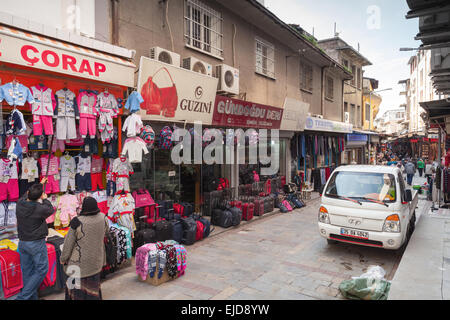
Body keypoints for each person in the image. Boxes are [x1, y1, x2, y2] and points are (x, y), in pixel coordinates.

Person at [60, 197, 109, 300]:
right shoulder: (103, 217)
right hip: (96, 261)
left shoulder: (77, 221)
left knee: (74, 291)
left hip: (77, 264)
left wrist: (63, 259)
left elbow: (68, 243)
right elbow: (106, 232)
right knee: (92, 289)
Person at [15, 178, 54, 300]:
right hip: (36, 243)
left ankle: (32, 298)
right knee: (42, 270)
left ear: (28, 194)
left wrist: (40, 185)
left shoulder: (20, 203)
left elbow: (26, 194)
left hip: (22, 242)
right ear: (39, 197)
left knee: (28, 272)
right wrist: (45, 198)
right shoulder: (39, 208)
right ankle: (22, 297)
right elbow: (50, 209)